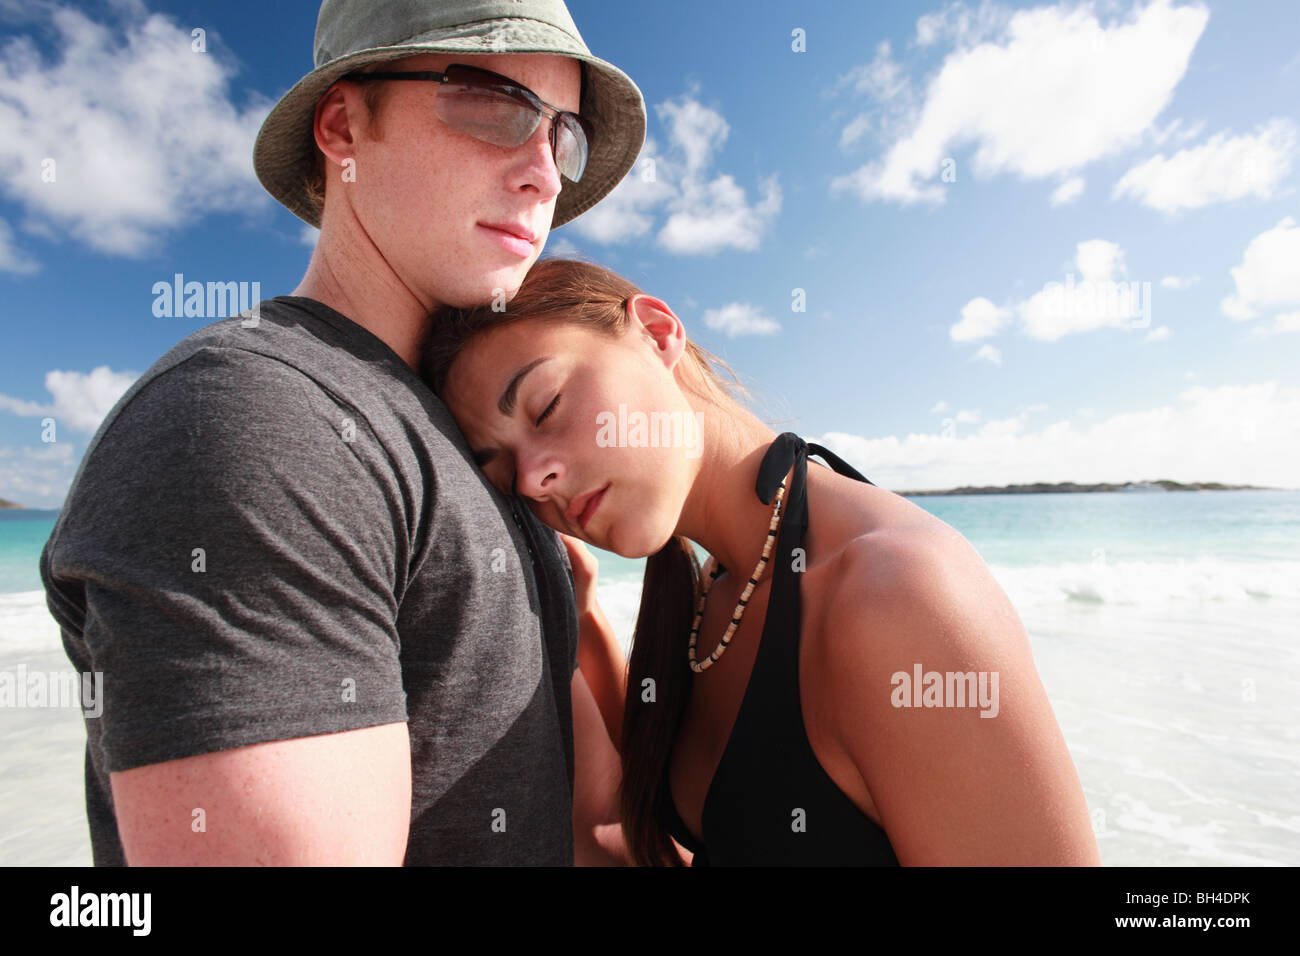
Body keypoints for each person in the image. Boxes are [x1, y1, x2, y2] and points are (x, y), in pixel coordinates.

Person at [40, 0, 644, 865]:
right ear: (343, 124)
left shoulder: (487, 453)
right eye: (496, 104)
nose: (546, 173)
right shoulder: (250, 416)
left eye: (564, 136)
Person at [422, 257, 1105, 866]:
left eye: (546, 406)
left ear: (658, 334)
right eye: (504, 470)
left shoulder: (892, 595)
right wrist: (581, 626)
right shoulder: (715, 595)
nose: (535, 479)